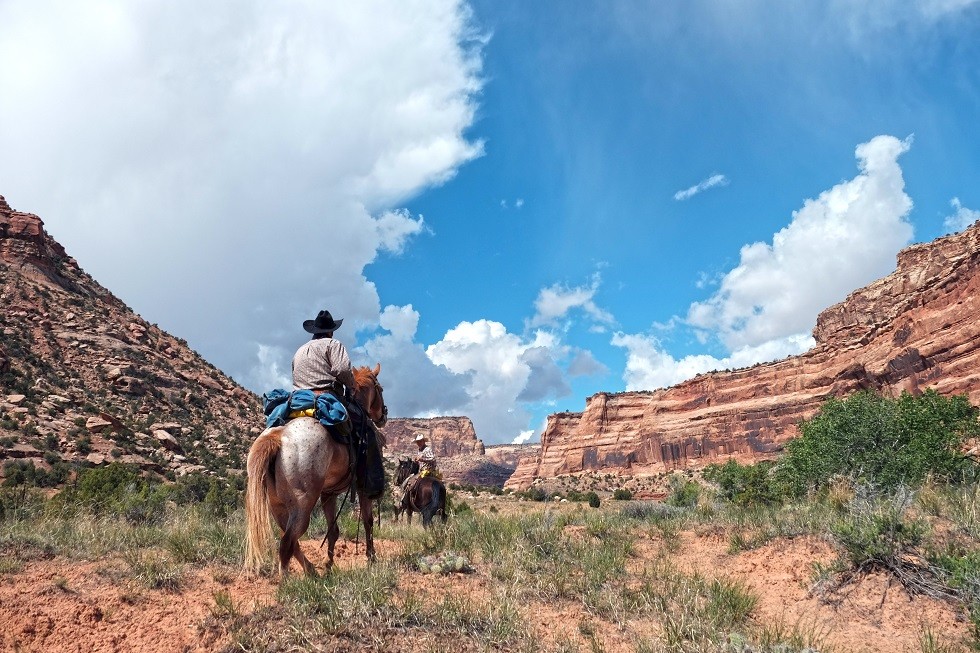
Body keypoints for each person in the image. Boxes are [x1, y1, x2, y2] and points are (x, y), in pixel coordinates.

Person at [292, 309, 355, 397]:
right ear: (330, 332)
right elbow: (343, 370)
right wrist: (352, 385)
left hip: (298, 397)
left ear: (314, 331)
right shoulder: (333, 344)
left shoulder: (299, 350)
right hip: (326, 395)